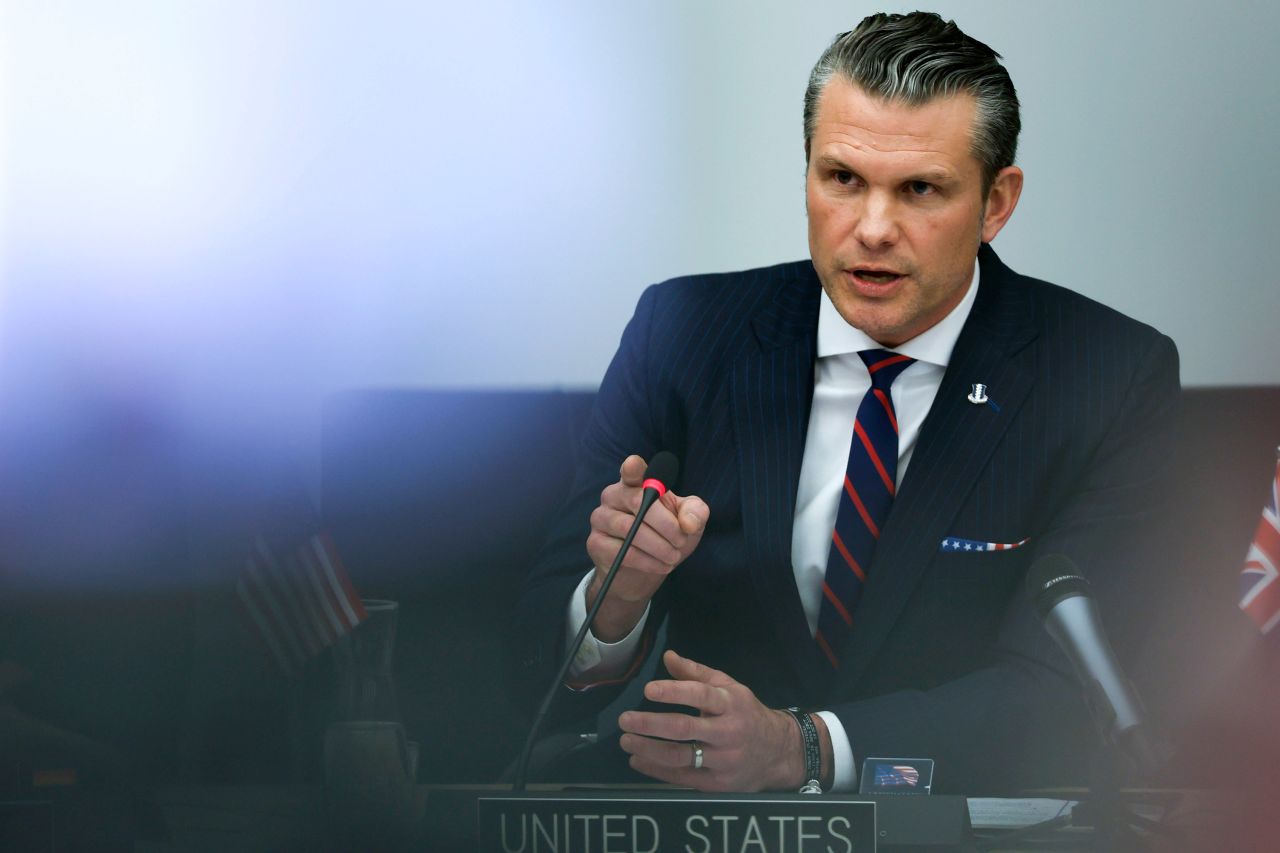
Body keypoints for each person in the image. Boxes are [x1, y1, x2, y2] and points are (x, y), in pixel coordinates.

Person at [513, 11, 1179, 795]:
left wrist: (804, 747)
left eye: (920, 189)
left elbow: (1071, 698)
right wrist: (615, 604)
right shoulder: (685, 332)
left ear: (996, 203)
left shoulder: (1106, 373)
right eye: (843, 179)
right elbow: (525, 670)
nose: (872, 228)